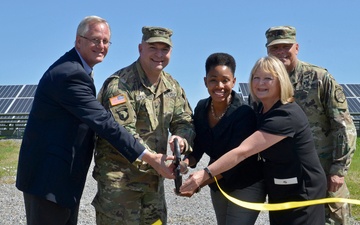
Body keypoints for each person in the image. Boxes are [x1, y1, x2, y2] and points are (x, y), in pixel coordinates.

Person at [15, 16, 174, 225]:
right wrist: (149, 157)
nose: (101, 46)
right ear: (78, 41)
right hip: (49, 182)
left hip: (60, 181)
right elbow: (104, 123)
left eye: (106, 41)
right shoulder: (70, 74)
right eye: (95, 40)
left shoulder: (78, 69)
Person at [181, 56, 328, 225]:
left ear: (281, 81)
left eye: (268, 78)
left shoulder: (285, 115)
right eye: (256, 78)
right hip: (278, 188)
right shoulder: (261, 109)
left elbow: (242, 152)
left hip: (303, 190)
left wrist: (203, 176)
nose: (260, 83)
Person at [92, 26, 195, 225]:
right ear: (140, 48)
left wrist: (181, 140)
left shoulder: (172, 86)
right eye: (153, 48)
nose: (159, 54)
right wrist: (156, 161)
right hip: (120, 188)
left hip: (153, 187)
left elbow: (185, 121)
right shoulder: (120, 85)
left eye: (164, 49)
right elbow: (122, 134)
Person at [264, 25, 357, 225]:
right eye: (274, 48)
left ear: (296, 48)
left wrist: (338, 170)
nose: (280, 52)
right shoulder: (265, 84)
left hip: (324, 173)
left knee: (333, 220)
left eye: (285, 47)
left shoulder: (319, 79)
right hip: (288, 176)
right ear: (267, 51)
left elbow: (343, 126)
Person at [180, 52, 266, 225]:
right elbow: (198, 146)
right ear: (205, 81)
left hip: (246, 183)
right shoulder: (201, 107)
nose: (219, 85)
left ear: (233, 82)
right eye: (213, 80)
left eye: (225, 80)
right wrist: (184, 163)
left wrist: (199, 182)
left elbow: (237, 159)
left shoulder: (244, 113)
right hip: (218, 183)